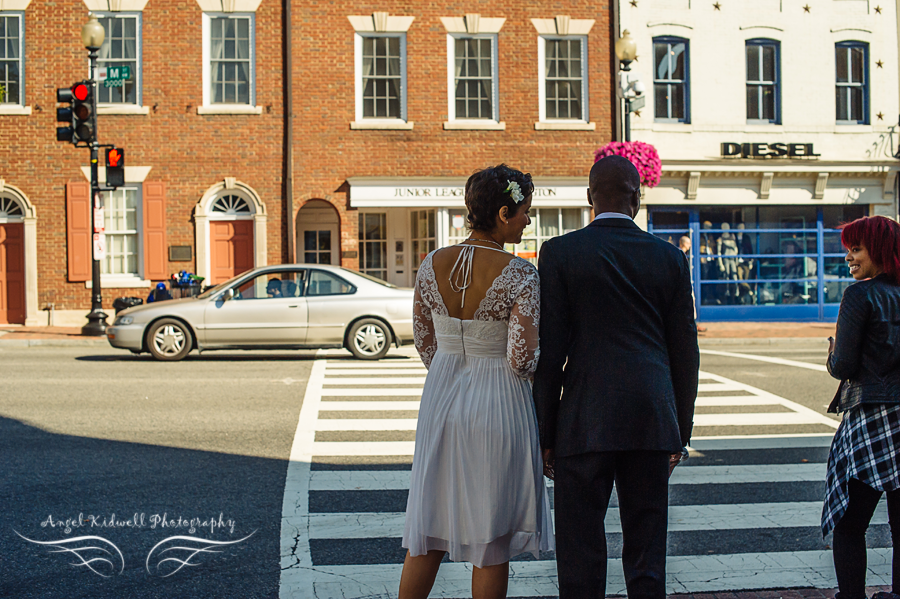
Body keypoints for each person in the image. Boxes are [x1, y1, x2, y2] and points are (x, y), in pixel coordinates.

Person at [533, 155, 699, 598]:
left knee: (579, 546)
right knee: (647, 549)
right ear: (637, 199)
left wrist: (544, 431)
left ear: (590, 198)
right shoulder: (669, 258)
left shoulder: (560, 253)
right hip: (650, 414)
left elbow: (549, 353)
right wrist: (680, 430)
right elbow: (685, 352)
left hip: (584, 416)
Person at [399, 165, 553, 599]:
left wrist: (453, 369)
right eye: (525, 211)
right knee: (491, 538)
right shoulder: (521, 274)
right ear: (504, 213)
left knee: (428, 524)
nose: (528, 219)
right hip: (499, 401)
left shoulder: (431, 264)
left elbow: (424, 340)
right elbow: (522, 359)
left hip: (442, 396)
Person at [822, 215, 900, 599]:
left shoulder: (861, 295)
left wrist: (832, 352)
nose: (849, 258)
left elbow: (845, 366)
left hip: (873, 416)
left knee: (851, 522)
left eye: (856, 249)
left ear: (879, 250)